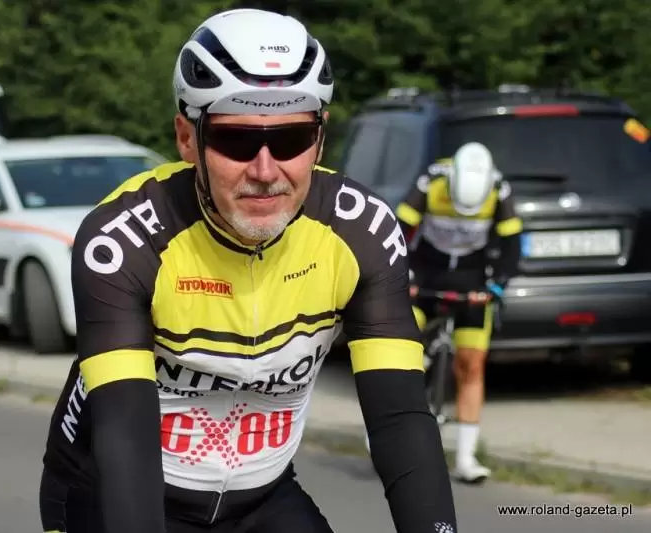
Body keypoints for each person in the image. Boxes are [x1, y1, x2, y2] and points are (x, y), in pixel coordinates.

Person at [39, 8, 457, 533]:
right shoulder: (125, 241)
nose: (264, 170)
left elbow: (399, 419)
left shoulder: (362, 233)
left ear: (320, 140)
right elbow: (125, 435)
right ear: (187, 139)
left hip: (261, 497)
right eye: (236, 140)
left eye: (291, 140)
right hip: (114, 490)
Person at [395, 142, 523, 484]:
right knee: (400, 346)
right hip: (427, 272)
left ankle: (465, 458)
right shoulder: (432, 181)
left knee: (471, 363)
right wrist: (401, 274)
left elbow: (513, 246)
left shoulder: (499, 189)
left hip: (472, 278)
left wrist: (498, 285)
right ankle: (388, 425)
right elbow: (397, 231)